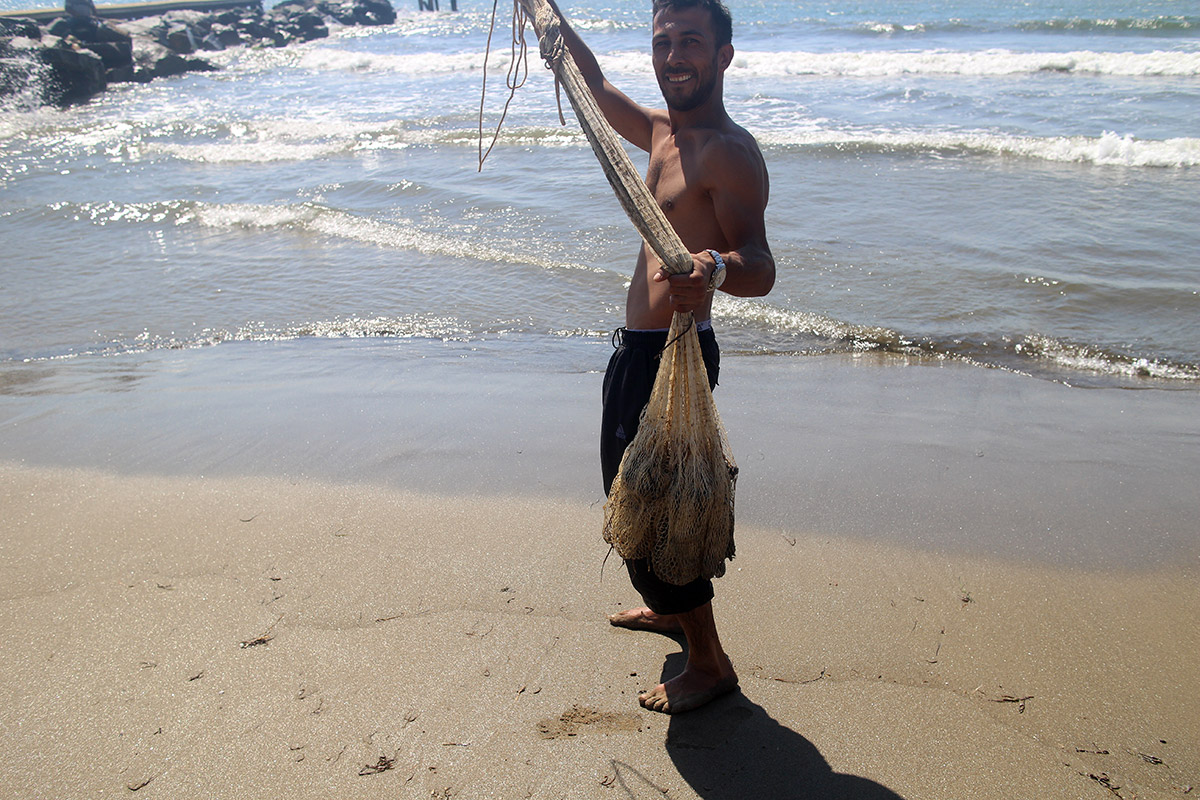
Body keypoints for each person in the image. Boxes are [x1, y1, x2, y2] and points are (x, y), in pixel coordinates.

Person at [550, 0, 775, 714]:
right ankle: (673, 614)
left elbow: (762, 266)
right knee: (630, 489)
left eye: (691, 42)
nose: (674, 55)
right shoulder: (660, 134)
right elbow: (592, 86)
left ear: (724, 56)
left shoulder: (726, 152)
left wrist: (713, 267)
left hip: (675, 359)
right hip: (637, 353)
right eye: (663, 41)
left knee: (659, 504)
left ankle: (709, 662)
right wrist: (547, 17)